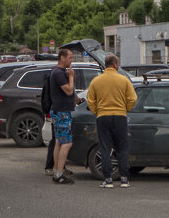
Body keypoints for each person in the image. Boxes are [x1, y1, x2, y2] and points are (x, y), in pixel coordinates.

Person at [85, 53, 136, 188]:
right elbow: (132, 99)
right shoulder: (124, 80)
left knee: (105, 148)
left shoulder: (96, 81)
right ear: (115, 64)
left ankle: (108, 180)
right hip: (120, 116)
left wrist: (98, 111)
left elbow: (90, 101)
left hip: (103, 117)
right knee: (122, 147)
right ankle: (124, 179)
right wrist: (125, 109)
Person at [49, 48, 78, 185]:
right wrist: (71, 77)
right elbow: (68, 91)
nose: (71, 60)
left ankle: (56, 170)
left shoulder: (57, 72)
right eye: (70, 57)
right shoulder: (59, 73)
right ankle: (59, 174)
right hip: (62, 112)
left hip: (58, 110)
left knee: (59, 142)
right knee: (67, 142)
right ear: (62, 58)